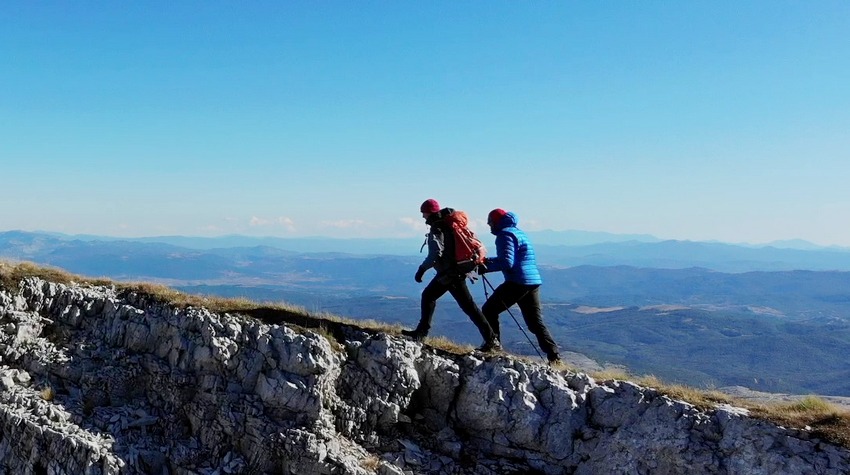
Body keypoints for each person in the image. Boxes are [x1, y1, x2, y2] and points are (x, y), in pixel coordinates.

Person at [402, 199, 501, 352]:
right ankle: (491, 340)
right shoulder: (449, 224)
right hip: (457, 272)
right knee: (467, 306)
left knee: (431, 297)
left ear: (430, 212)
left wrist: (422, 269)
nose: (423, 216)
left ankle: (421, 333)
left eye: (424, 213)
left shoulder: (438, 227)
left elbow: (435, 253)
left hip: (450, 274)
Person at [478, 208, 562, 364]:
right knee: (535, 323)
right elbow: (512, 258)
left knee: (489, 310)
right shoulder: (518, 232)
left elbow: (507, 262)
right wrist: (488, 261)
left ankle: (493, 345)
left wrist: (485, 267)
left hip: (517, 281)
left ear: (496, 222)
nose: (490, 227)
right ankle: (554, 356)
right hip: (533, 281)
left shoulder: (504, 235)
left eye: (490, 223)